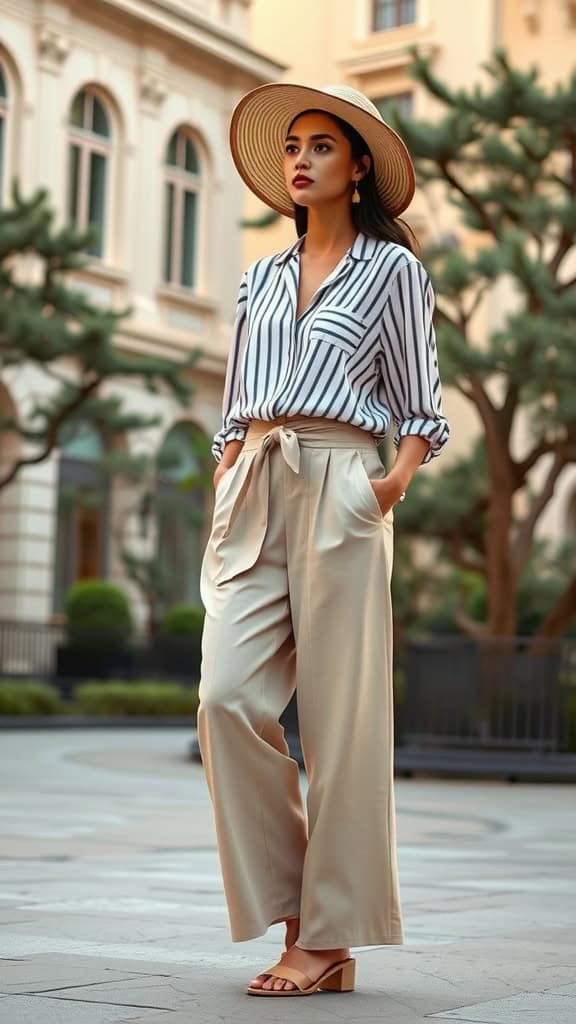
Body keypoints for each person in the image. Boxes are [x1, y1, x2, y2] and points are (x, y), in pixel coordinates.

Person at [197, 82, 450, 998]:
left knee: (344, 727)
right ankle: (303, 919)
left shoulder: (393, 272)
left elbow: (423, 402)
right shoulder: (259, 277)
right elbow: (233, 403)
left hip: (344, 484)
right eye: (292, 147)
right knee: (226, 699)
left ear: (357, 170)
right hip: (259, 476)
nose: (299, 160)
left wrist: (388, 485)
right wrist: (227, 475)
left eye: (320, 147)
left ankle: (327, 937)